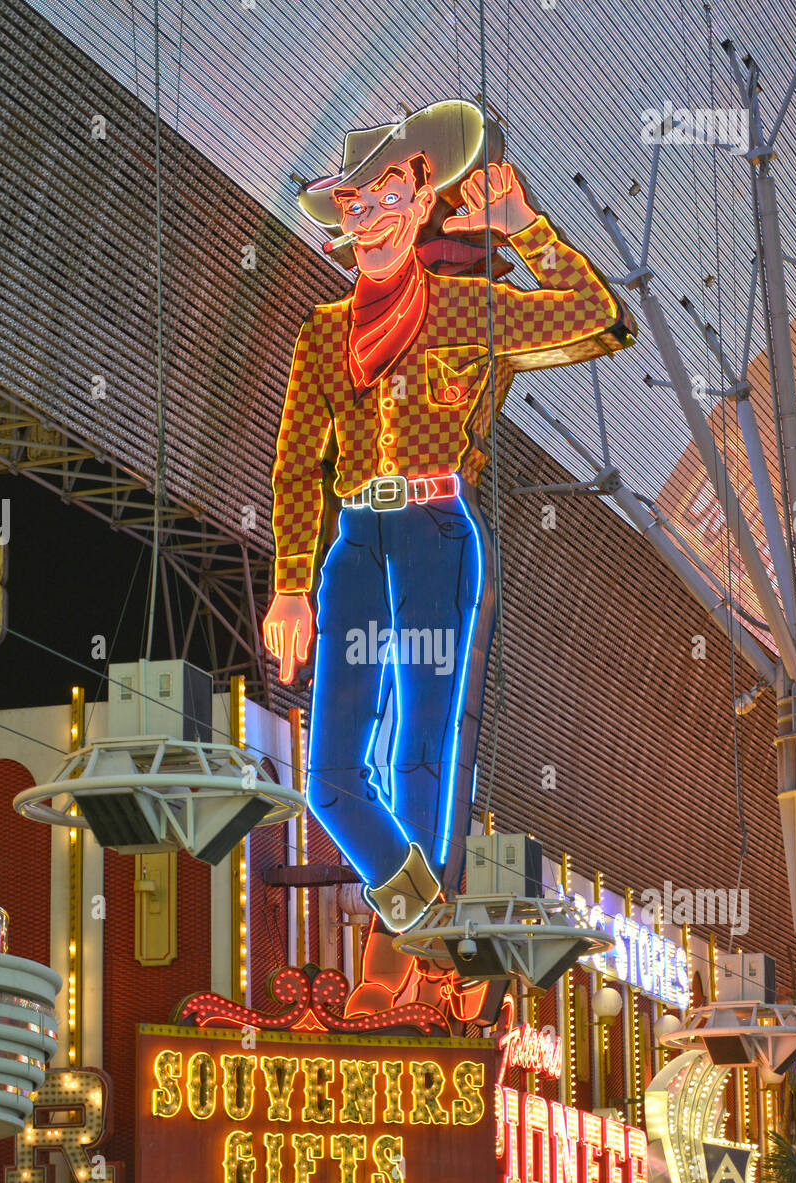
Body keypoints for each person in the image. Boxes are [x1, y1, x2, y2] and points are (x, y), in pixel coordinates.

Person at [263, 101, 635, 1020]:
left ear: (422, 204)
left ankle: (400, 952)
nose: (366, 217)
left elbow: (601, 320)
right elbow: (295, 463)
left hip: (435, 535)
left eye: (386, 194)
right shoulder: (321, 331)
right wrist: (291, 583)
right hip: (354, 545)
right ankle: (435, 929)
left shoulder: (469, 307)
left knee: (422, 754)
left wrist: (525, 228)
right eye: (351, 201)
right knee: (335, 775)